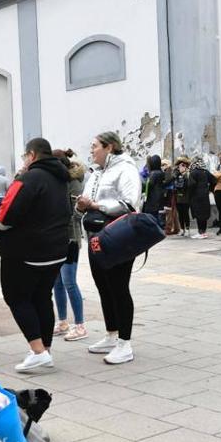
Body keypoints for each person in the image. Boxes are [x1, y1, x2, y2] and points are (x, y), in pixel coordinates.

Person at [0, 138, 70, 373]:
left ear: (32, 155)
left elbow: (6, 213)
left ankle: (37, 351)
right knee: (42, 297)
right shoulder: (61, 178)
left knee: (16, 297)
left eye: (26, 156)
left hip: (27, 251)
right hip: (56, 250)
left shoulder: (29, 178)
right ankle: (45, 349)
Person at [77, 132, 141, 365]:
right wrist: (82, 205)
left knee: (118, 287)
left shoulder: (126, 169)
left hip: (119, 238)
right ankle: (111, 334)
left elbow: (129, 203)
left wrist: (94, 204)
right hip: (95, 238)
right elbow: (86, 201)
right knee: (103, 286)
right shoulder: (95, 173)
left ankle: (125, 343)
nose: (91, 150)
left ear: (110, 147)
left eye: (95, 146)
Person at [51, 148, 87, 342]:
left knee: (69, 282)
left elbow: (78, 214)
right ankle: (63, 321)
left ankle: (80, 325)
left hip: (70, 238)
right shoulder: (57, 181)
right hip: (56, 238)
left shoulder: (73, 182)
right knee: (57, 282)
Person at [187, 156, 214, 239]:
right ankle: (204, 232)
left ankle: (200, 232)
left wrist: (190, 195)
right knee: (204, 214)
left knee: (198, 214)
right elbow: (214, 180)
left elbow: (191, 185)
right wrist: (209, 190)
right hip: (205, 195)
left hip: (196, 196)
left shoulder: (193, 172)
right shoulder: (205, 171)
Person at [172, 157, 192, 237]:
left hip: (186, 198)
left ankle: (187, 229)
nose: (180, 167)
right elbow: (174, 183)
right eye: (179, 166)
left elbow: (189, 185)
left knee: (185, 214)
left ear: (186, 167)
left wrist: (185, 175)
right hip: (178, 197)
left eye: (183, 166)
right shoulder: (177, 175)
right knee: (180, 214)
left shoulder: (188, 175)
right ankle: (182, 229)